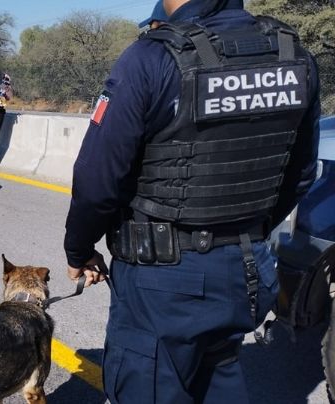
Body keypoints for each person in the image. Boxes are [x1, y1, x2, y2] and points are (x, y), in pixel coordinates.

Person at [64, 0, 320, 403]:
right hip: (247, 268)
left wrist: (78, 249)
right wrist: (245, 232)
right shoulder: (293, 55)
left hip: (164, 282)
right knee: (220, 375)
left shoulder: (150, 58)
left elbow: (98, 178)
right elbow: (301, 172)